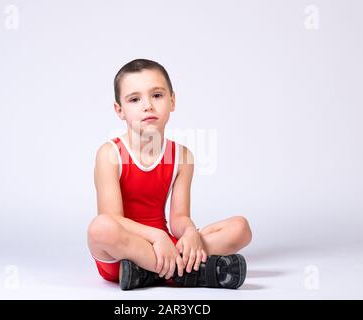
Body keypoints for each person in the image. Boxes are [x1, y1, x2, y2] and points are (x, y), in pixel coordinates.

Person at [87, 58, 252, 290]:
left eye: (157, 95)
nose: (148, 106)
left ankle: (147, 273)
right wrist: (157, 237)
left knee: (240, 228)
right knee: (100, 228)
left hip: (166, 246)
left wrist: (189, 232)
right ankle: (190, 272)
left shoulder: (182, 156)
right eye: (135, 99)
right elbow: (113, 219)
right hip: (122, 253)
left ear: (172, 100)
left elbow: (179, 218)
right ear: (119, 110)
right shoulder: (109, 154)